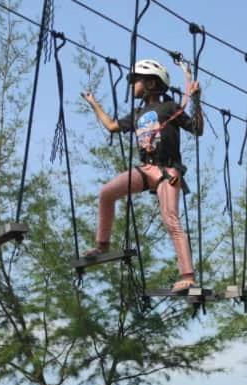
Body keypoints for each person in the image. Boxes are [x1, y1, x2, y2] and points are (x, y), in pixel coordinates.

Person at [82, 58, 203, 292]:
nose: (132, 85)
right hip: (145, 169)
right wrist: (93, 103)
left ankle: (188, 275)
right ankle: (102, 245)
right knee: (106, 192)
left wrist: (196, 100)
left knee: (171, 219)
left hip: (167, 171)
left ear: (149, 83)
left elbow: (197, 129)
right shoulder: (137, 113)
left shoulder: (169, 108)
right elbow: (112, 126)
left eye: (135, 80)